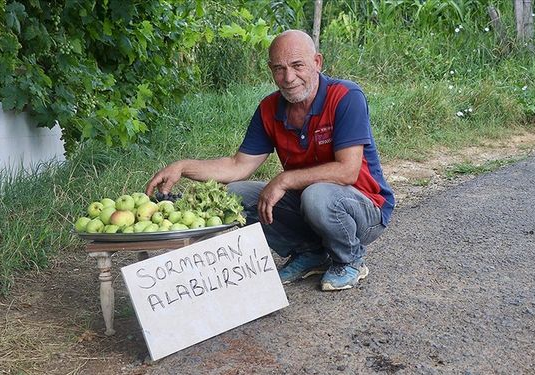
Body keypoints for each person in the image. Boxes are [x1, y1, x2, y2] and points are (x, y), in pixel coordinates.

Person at [145, 29, 395, 291]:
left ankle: (351, 259)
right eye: (279, 69)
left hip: (365, 211)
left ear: (317, 62)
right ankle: (309, 252)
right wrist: (183, 167)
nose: (288, 78)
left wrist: (284, 179)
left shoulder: (345, 96)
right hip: (311, 204)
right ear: (270, 69)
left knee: (316, 196)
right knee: (235, 195)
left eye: (297, 66)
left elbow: (347, 172)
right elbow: (237, 165)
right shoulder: (269, 108)